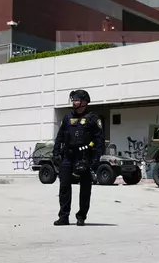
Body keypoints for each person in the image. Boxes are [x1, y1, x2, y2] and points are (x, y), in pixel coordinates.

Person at [52, 89, 104, 226]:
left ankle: (81, 216)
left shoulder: (93, 119)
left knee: (85, 188)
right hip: (68, 156)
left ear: (84, 102)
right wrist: (56, 152)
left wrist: (96, 159)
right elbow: (60, 136)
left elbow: (99, 140)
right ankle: (63, 216)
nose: (73, 102)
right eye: (73, 99)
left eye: (76, 99)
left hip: (84, 157)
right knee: (64, 186)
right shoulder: (67, 117)